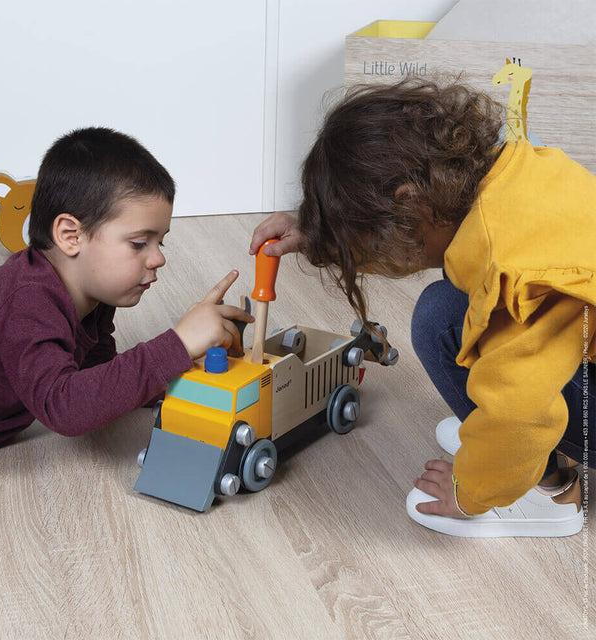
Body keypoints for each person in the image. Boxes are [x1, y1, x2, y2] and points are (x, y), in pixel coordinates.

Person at [250, 79, 596, 537]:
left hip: (531, 409)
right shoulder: (520, 175)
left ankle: (545, 489)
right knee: (452, 306)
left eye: (367, 243)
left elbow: (521, 414)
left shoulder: (512, 271)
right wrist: (324, 230)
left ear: (410, 203)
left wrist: (472, 488)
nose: (373, 260)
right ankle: (509, 452)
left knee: (439, 320)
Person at [0, 127, 253, 454]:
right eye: (140, 243)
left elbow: (98, 373)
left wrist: (181, 370)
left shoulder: (92, 290)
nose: (158, 258)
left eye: (160, 241)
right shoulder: (28, 302)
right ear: (71, 236)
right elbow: (64, 407)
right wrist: (177, 345)